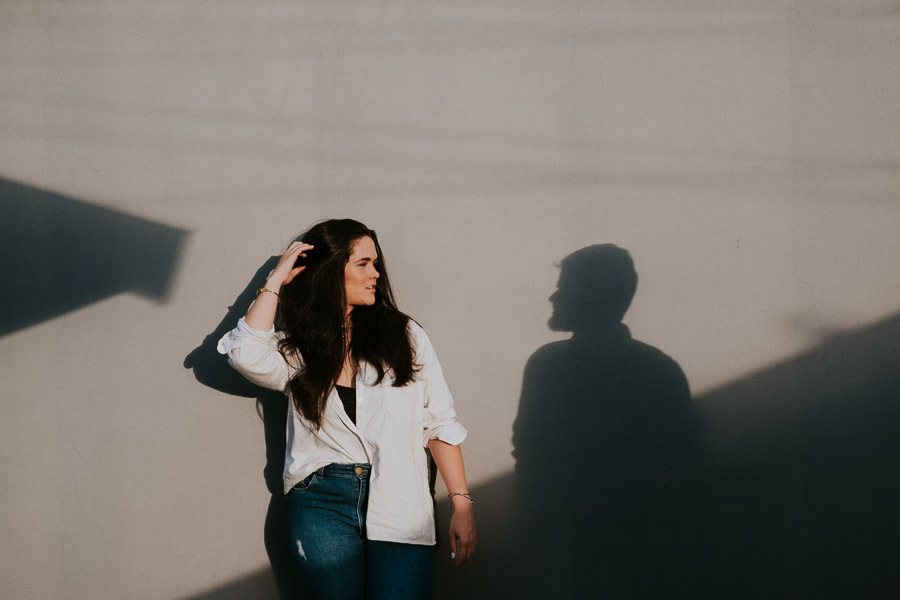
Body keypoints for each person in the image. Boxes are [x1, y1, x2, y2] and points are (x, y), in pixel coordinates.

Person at [217, 219, 476, 599]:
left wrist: (461, 503)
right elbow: (244, 355)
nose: (376, 274)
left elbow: (438, 422)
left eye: (376, 264)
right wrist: (275, 281)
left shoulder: (403, 336)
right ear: (329, 271)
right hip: (321, 502)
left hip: (400, 496)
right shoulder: (297, 348)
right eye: (363, 264)